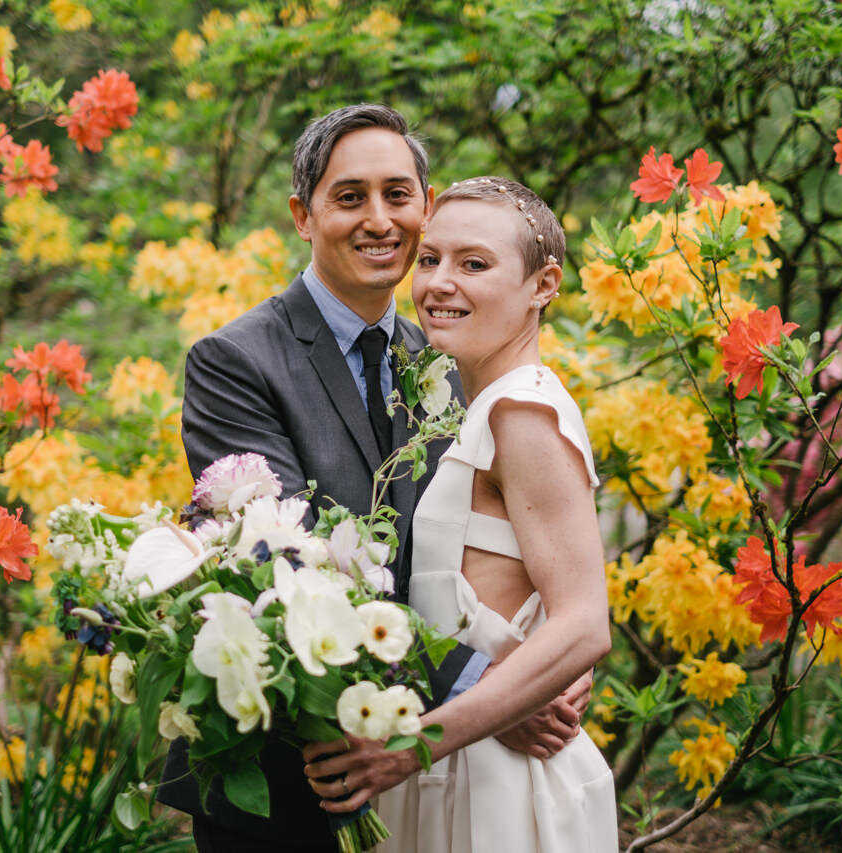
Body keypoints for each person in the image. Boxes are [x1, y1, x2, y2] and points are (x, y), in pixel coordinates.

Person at [158, 105, 590, 853]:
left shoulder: (451, 354)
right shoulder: (236, 362)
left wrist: (542, 663)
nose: (380, 219)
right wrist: (484, 687)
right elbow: (290, 569)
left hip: (423, 776)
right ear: (304, 213)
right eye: (350, 196)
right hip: (287, 771)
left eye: (399, 194)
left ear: (426, 206)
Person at [302, 177, 619, 851]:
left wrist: (409, 747)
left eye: (474, 264)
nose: (440, 283)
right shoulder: (471, 406)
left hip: (501, 789)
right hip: (460, 763)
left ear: (544, 283)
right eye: (433, 260)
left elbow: (585, 623)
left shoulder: (522, 414)